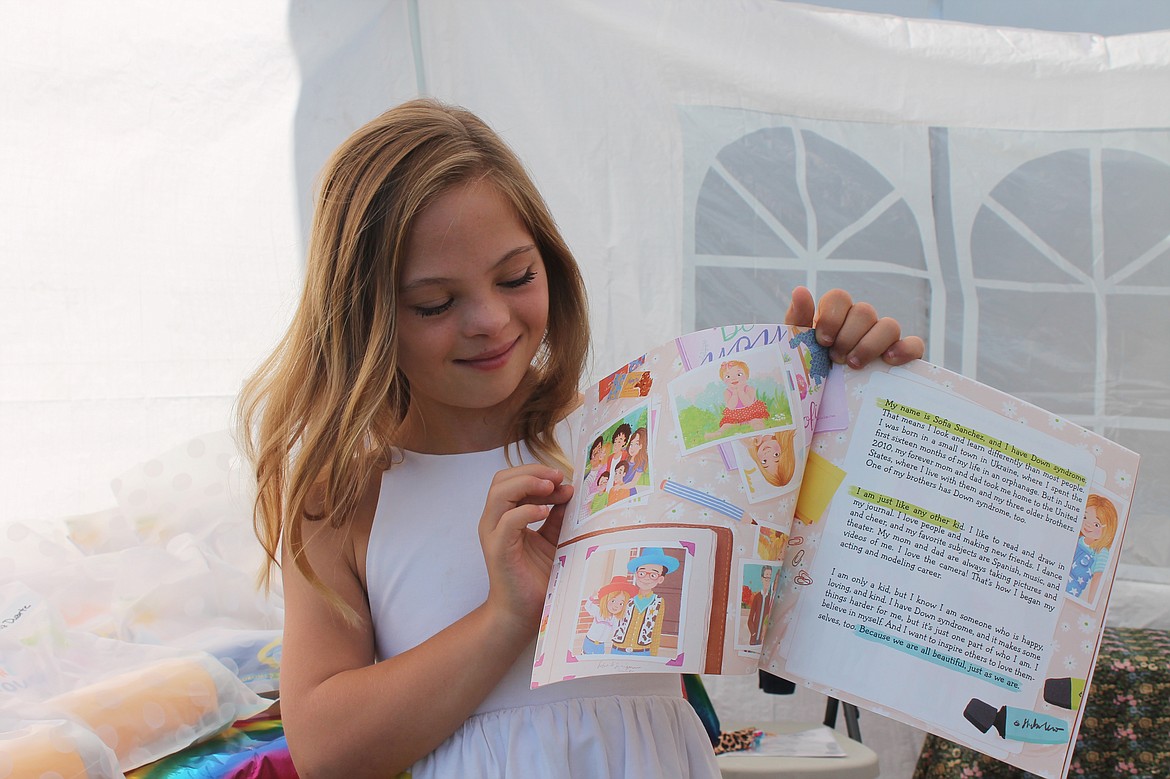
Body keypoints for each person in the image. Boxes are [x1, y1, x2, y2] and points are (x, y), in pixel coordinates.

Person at [237, 97, 924, 778]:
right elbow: (327, 747)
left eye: (515, 276)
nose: (490, 318)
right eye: (436, 303)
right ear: (363, 312)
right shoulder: (342, 498)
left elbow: (801, 576)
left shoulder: (627, 429)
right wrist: (505, 617)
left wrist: (842, 401)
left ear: (551, 263)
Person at [611, 547, 680, 657]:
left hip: (642, 652)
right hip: (618, 649)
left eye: (653, 575)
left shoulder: (658, 602)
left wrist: (652, 656)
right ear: (636, 574)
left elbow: (656, 630)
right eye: (642, 573)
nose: (646, 578)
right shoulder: (628, 596)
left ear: (660, 579)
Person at [1066, 493, 1118, 601]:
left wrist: (1090, 602)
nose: (1087, 524)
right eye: (1085, 517)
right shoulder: (1076, 539)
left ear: (1107, 529)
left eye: (1096, 524)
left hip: (1070, 593)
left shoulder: (1100, 552)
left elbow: (1098, 577)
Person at [582, 575, 637, 654]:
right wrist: (592, 597)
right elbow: (588, 606)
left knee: (598, 659)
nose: (616, 606)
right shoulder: (598, 612)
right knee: (585, 655)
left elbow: (616, 629)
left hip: (601, 644)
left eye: (621, 603)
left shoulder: (615, 619)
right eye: (613, 601)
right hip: (590, 641)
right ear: (606, 599)